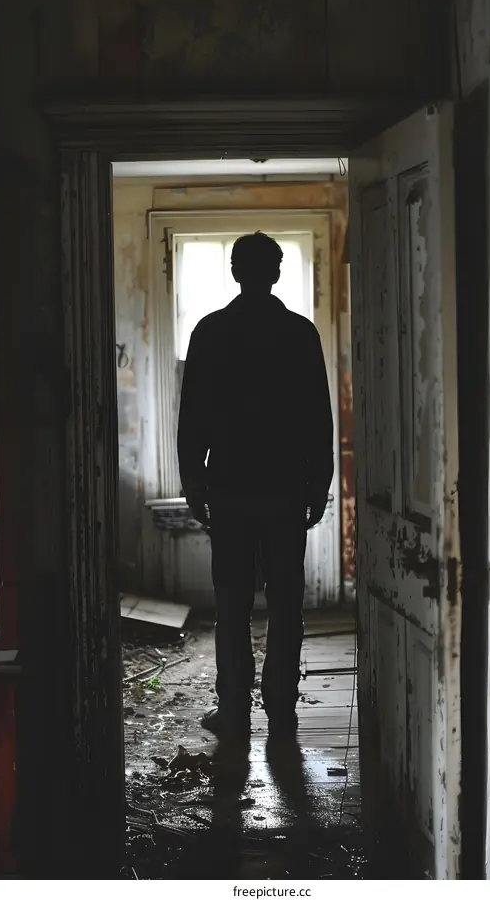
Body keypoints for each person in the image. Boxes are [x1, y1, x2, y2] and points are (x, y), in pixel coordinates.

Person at [177, 231, 333, 740]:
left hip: (230, 486)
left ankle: (234, 710)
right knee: (285, 602)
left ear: (236, 272)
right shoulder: (299, 333)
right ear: (277, 272)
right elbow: (318, 416)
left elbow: (192, 416)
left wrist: (193, 480)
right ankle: (281, 709)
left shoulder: (211, 331)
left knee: (232, 602)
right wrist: (320, 482)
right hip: (286, 487)